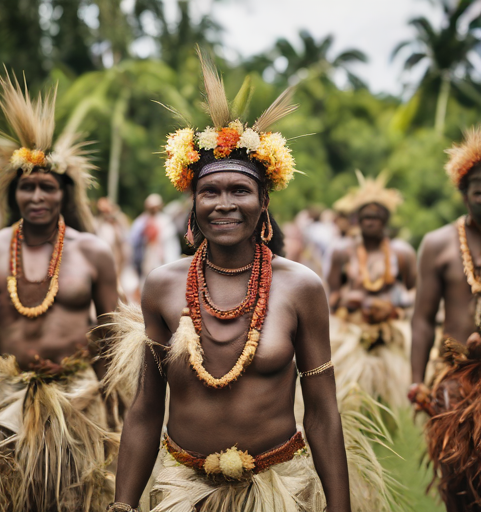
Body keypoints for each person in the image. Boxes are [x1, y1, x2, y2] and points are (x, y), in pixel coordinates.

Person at [103, 52, 397, 512]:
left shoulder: (300, 287)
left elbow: (321, 412)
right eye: (210, 191)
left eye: (239, 190)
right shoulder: (162, 286)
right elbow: (145, 406)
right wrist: (122, 504)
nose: (224, 204)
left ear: (263, 201)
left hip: (277, 487)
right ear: (193, 203)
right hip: (184, 490)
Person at [0, 71, 119, 512]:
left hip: (76, 395)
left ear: (63, 192)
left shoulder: (93, 252)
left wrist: (113, 410)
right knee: (14, 500)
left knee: (76, 499)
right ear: (13, 191)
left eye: (46, 186)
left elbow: (109, 339)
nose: (36, 195)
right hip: (7, 395)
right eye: (26, 185)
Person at [409, 127, 481, 511]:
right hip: (455, 381)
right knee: (458, 479)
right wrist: (417, 378)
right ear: (464, 192)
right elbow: (422, 318)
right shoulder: (438, 244)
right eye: (479, 188)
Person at [327, 171, 416, 409]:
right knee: (347, 396)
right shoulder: (342, 251)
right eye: (365, 216)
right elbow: (331, 294)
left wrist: (394, 309)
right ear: (357, 219)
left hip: (390, 331)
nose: (370, 221)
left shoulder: (402, 252)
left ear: (386, 220)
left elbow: (415, 292)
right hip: (351, 331)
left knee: (390, 404)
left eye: (377, 217)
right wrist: (347, 302)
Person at [130, 193, 181, 287]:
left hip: (162, 260)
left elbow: (171, 244)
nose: (154, 209)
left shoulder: (165, 221)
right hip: (146, 258)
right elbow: (133, 241)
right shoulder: (141, 222)